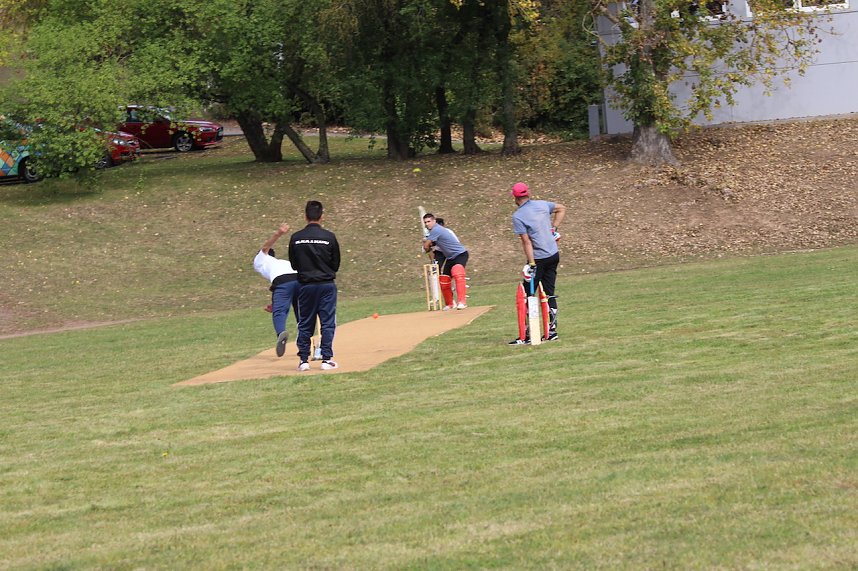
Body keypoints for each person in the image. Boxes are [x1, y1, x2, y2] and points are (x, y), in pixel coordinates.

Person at [510, 182, 566, 343]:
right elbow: (562, 208)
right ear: (528, 193)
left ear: (514, 197)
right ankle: (552, 331)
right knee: (549, 293)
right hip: (553, 255)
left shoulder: (518, 216)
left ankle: (527, 335)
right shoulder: (542, 205)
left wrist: (531, 263)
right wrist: (553, 228)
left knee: (528, 295)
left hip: (538, 259)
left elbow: (526, 242)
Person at [289, 200, 341, 371]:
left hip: (305, 286)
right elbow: (336, 263)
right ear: (322, 216)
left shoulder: (296, 238)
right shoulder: (329, 237)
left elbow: (294, 264)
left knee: (305, 323)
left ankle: (303, 360)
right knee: (327, 322)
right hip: (326, 285)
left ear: (305, 216)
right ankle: (326, 359)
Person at [253, 223, 299, 357]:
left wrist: (278, 233)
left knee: (279, 312)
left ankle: (281, 333)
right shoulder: (283, 262)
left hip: (282, 282)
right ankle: (304, 340)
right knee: (301, 313)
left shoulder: (260, 260)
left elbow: (266, 247)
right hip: (300, 279)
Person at [422, 212, 469, 310]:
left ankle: (462, 302)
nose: (427, 224)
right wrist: (428, 247)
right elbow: (432, 250)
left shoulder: (437, 229)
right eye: (425, 222)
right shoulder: (433, 233)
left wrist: (427, 246)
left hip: (460, 254)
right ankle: (450, 304)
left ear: (434, 221)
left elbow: (426, 246)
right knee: (444, 279)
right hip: (450, 257)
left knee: (457, 272)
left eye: (429, 221)